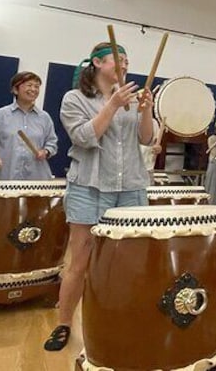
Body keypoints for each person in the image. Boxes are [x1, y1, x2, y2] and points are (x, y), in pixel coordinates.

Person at [43, 41, 154, 352]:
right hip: (89, 187)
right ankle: (64, 323)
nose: (125, 66)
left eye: (128, 62)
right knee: (80, 260)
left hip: (131, 186)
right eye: (118, 61)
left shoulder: (130, 100)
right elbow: (83, 137)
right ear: (96, 63)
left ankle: (124, 318)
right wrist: (113, 105)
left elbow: (147, 139)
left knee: (130, 261)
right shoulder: (74, 98)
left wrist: (146, 112)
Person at [0, 71, 58, 180]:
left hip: (35, 179)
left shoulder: (44, 117)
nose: (34, 89)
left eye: (37, 86)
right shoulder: (0, 115)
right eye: (29, 85)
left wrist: (46, 151)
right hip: (4, 178)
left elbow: (52, 143)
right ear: (15, 89)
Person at [139, 118, 163, 184]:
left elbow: (157, 144)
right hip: (130, 170)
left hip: (147, 168)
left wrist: (158, 148)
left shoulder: (153, 122)